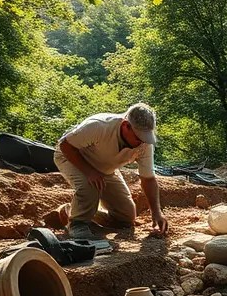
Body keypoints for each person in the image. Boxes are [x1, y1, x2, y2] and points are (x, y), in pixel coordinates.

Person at [54, 102, 169, 240]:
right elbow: (66, 146)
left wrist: (156, 213)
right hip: (72, 157)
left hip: (105, 167)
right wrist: (89, 172)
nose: (142, 143)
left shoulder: (144, 145)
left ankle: (71, 211)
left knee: (126, 216)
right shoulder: (99, 126)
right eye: (139, 138)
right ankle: (77, 224)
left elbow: (148, 179)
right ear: (126, 126)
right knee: (90, 186)